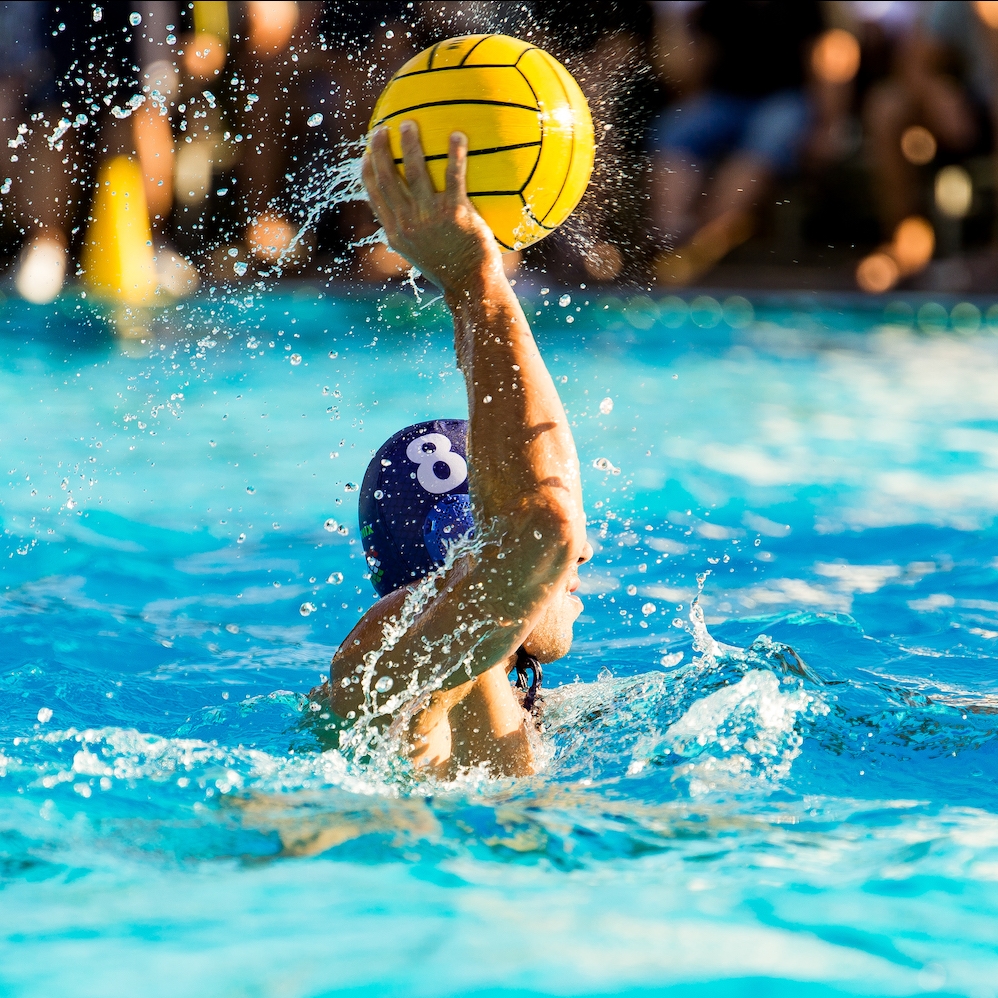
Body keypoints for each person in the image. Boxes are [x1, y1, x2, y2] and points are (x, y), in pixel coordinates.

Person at [311, 122, 592, 779]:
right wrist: (474, 278)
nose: (586, 549)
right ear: (467, 544)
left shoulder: (521, 689)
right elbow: (544, 524)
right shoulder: (383, 671)